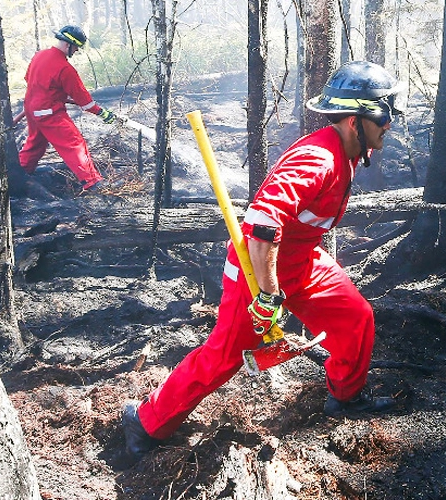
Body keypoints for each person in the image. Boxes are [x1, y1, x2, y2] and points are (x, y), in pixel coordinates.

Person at [122, 61, 404, 458]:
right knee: (223, 358)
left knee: (355, 317)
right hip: (257, 271)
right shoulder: (318, 159)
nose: (391, 123)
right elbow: (263, 224)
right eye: (385, 113)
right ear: (358, 119)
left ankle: (346, 396)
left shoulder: (349, 150)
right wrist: (268, 297)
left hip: (302, 261)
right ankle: (147, 420)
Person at [18, 25, 117, 191]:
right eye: (76, 47)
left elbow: (29, 78)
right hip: (49, 113)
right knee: (74, 143)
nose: (77, 50)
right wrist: (101, 112)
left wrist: (55, 95)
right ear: (68, 44)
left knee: (36, 144)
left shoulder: (39, 56)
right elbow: (83, 100)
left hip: (31, 108)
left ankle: (19, 174)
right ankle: (93, 182)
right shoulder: (65, 68)